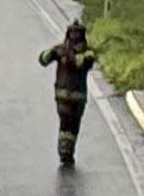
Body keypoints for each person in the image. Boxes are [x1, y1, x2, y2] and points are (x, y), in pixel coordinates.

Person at [38, 19, 99, 166]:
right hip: (69, 97)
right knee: (68, 125)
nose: (75, 36)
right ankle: (65, 152)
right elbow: (43, 59)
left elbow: (81, 63)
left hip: (73, 97)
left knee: (70, 125)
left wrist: (67, 53)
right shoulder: (62, 50)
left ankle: (66, 151)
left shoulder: (87, 53)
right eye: (73, 33)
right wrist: (53, 51)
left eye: (77, 33)